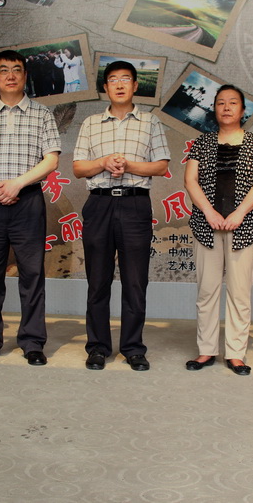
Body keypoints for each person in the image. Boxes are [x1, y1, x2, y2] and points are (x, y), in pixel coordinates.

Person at [0, 50, 61, 365]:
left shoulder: (42, 114)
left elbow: (51, 159)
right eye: (3, 70)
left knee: (32, 275)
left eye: (16, 69)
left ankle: (32, 342)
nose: (10, 75)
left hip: (27, 201)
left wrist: (17, 184)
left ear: (25, 76)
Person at [73, 60, 170, 371]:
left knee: (135, 281)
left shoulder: (150, 122)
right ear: (105, 87)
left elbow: (161, 165)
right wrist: (103, 162)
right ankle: (97, 347)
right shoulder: (91, 123)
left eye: (125, 79)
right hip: (99, 204)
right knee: (97, 281)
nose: (118, 84)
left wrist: (128, 165)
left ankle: (133, 348)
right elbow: (78, 168)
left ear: (135, 85)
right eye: (113, 79)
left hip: (134, 205)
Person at [184, 85, 253, 376]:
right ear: (214, 109)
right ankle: (206, 349)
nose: (226, 107)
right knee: (207, 291)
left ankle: (235, 353)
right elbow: (190, 180)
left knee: (239, 292)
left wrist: (239, 213)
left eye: (233, 102)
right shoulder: (202, 142)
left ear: (243, 110)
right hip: (206, 226)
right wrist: (209, 212)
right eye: (221, 102)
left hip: (243, 226)